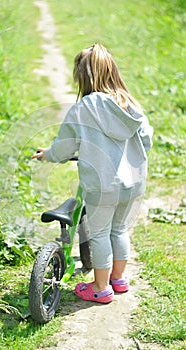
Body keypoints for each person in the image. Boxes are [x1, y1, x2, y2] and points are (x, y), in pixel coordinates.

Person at [32, 43, 153, 304]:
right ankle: (118, 280)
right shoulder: (131, 105)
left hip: (103, 185)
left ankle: (100, 287)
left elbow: (64, 147)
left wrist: (48, 155)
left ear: (83, 77)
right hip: (133, 183)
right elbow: (146, 140)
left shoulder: (83, 108)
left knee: (99, 234)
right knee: (119, 229)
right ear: (112, 70)